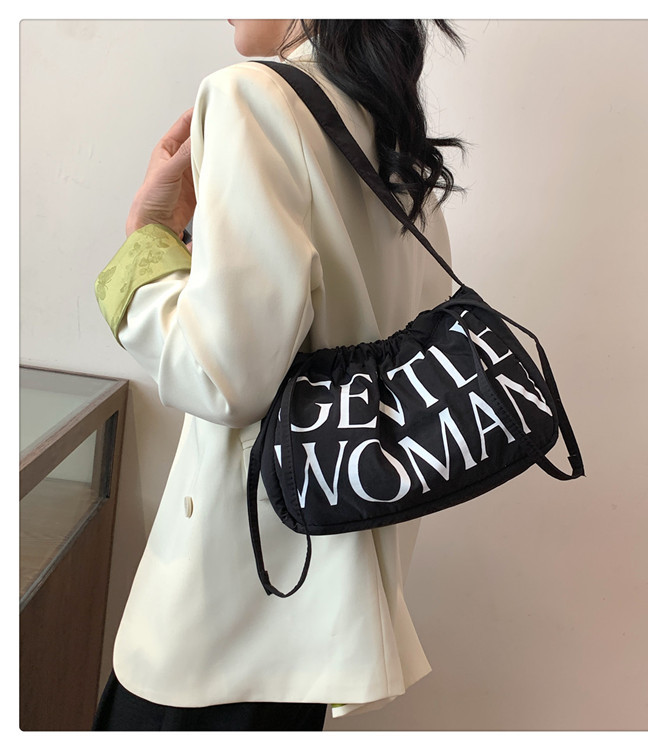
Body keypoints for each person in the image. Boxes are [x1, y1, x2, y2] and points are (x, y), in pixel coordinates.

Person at [92, 19, 465, 731]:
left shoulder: (252, 97)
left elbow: (221, 377)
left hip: (230, 609)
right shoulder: (393, 134)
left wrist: (147, 237)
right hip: (322, 609)